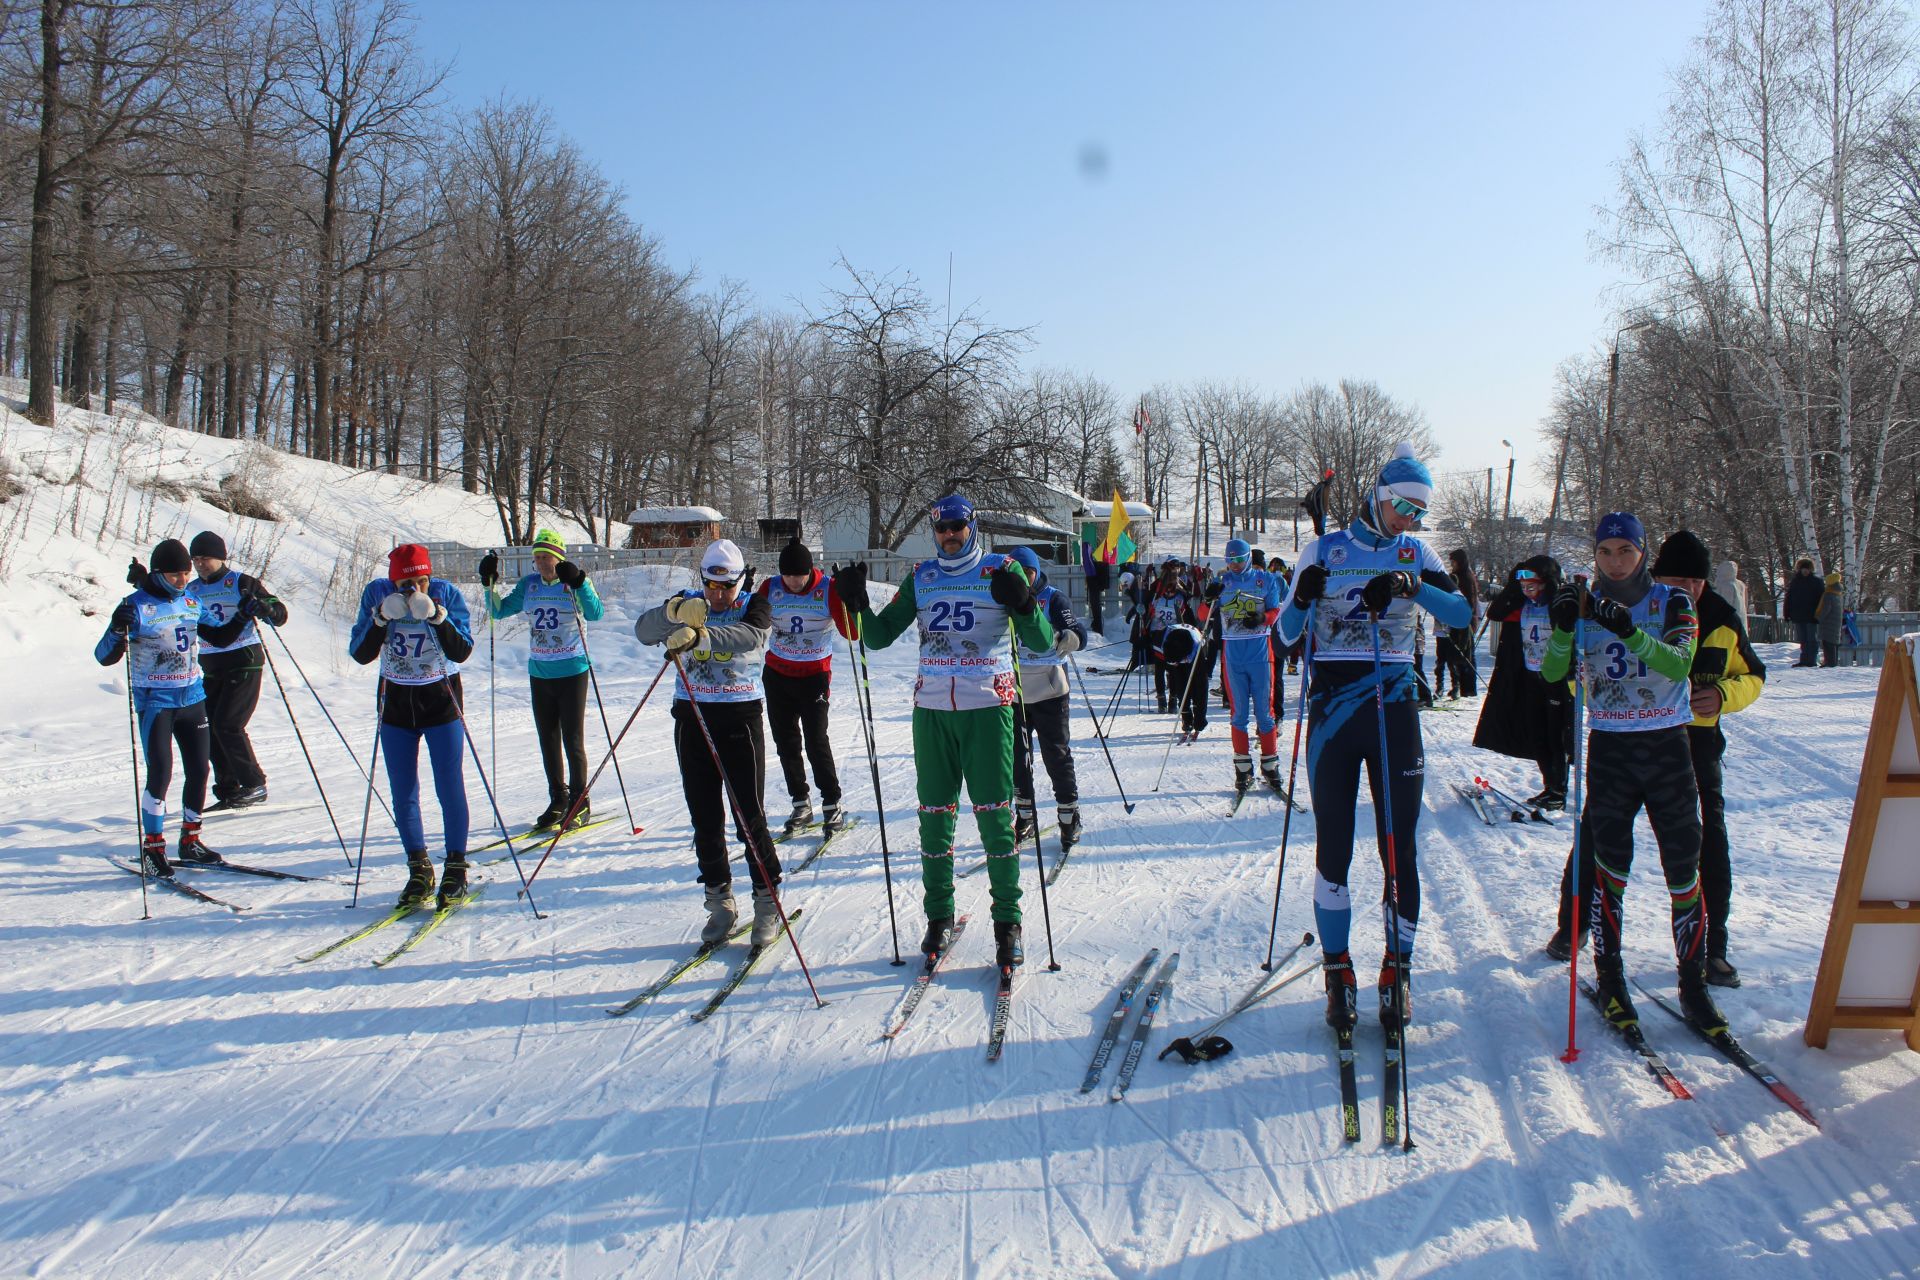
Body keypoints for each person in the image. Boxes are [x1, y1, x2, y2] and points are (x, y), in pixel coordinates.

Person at [1277, 444, 1469, 1033]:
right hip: (1335, 713)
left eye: (1419, 510)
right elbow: (1284, 637)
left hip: (1393, 712)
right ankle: (1338, 972)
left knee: (1398, 848)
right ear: (1380, 496)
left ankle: (1396, 968)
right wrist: (1305, 595)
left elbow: (1461, 616)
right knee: (1333, 844)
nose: (1411, 518)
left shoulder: (1416, 550)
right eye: (1404, 506)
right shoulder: (1325, 548)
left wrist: (1413, 587)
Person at [833, 494, 1053, 972]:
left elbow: (1041, 640)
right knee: (934, 818)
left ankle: (1008, 922)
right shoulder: (922, 577)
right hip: (931, 710)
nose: (949, 535)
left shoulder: (1001, 569)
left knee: (996, 819)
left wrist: (1024, 603)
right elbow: (877, 635)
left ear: (972, 526)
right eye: (941, 529)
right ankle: (938, 917)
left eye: (957, 526)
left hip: (987, 709)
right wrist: (857, 604)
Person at [1540, 513, 1726, 1034]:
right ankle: (1612, 978)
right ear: (1596, 555)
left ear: (1643, 552)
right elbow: (1554, 675)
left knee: (1684, 867)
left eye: (1626, 550)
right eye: (1606, 552)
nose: (1616, 561)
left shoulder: (1673, 602)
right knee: (1609, 867)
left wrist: (1630, 632)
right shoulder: (1583, 605)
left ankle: (1692, 985)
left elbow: (1679, 664)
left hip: (1667, 746)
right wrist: (1562, 629)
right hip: (1612, 750)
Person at [635, 539, 783, 947]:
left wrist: (698, 637)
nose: (718, 596)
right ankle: (719, 902)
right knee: (704, 816)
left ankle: (767, 901)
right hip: (692, 715)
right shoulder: (690, 602)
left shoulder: (755, 603)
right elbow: (642, 630)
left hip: (738, 715)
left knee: (748, 815)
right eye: (712, 586)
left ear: (739, 580)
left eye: (726, 587)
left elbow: (750, 637)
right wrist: (672, 613)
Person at [1650, 530, 1766, 988]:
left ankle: (1713, 944)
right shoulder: (1638, 610)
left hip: (1698, 744)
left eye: (1696, 581)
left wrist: (1721, 695)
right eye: (1677, 579)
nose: (1688, 590)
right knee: (1600, 830)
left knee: (1709, 838)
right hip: (1640, 738)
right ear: (1657, 576)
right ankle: (1575, 925)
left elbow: (1754, 675)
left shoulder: (1720, 616)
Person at [348, 544, 476, 909]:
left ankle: (455, 867)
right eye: (405, 584)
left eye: (421, 581)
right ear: (393, 581)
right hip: (396, 705)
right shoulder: (376, 593)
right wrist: (379, 621)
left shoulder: (445, 593)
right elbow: (359, 653)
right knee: (403, 789)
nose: (413, 590)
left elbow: (463, 650)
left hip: (440, 699)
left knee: (449, 784)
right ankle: (418, 867)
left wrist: (437, 616)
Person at [95, 539, 219, 874]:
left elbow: (221, 635)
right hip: (156, 702)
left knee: (199, 770)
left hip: (193, 697)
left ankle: (190, 841)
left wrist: (251, 612)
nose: (182, 579)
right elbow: (104, 656)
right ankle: (153, 846)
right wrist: (115, 627)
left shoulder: (192, 600)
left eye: (185, 572)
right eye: (175, 574)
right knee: (160, 774)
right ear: (158, 572)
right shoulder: (136, 605)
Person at [479, 528, 602, 832]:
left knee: (572, 739)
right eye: (537, 558)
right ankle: (558, 799)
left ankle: (579, 801)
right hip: (540, 672)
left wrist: (581, 582)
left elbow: (596, 613)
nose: (542, 563)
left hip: (572, 669)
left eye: (547, 557)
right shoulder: (529, 585)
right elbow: (498, 611)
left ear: (559, 558)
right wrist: (489, 584)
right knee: (547, 739)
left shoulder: (571, 583)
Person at [753, 537, 855, 837]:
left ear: (810, 571)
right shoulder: (770, 588)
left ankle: (831, 802)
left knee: (815, 740)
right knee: (785, 742)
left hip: (814, 677)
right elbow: (752, 624)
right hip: (777, 675)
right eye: (788, 576)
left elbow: (852, 634)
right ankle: (800, 801)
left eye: (799, 575)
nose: (793, 582)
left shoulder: (827, 589)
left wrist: (852, 601)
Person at [184, 531, 289, 811]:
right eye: (195, 559)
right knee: (209, 728)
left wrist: (263, 607)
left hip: (244, 660)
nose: (200, 564)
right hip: (211, 663)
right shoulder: (191, 589)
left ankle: (254, 784)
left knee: (228, 724)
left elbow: (279, 613)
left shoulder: (241, 582)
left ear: (220, 557)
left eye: (205, 558)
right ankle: (228, 790)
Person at [1007, 546, 1088, 849]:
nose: (1024, 579)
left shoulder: (1053, 597)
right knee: (1018, 757)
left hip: (1050, 687)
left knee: (1056, 754)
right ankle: (1025, 815)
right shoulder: (1004, 596)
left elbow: (1076, 629)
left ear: (1036, 571)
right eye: (1019, 573)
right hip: (1014, 689)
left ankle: (1069, 815)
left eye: (1028, 573)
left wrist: (1072, 637)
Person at [1476, 556, 1571, 811]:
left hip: (1555, 680)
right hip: (1530, 675)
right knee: (1538, 733)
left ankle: (1558, 789)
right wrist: (1516, 590)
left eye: (1532, 586)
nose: (1527, 592)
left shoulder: (1557, 605)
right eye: (1523, 587)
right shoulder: (1523, 605)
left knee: (1555, 736)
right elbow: (1496, 612)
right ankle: (1549, 785)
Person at [1200, 537, 1283, 793]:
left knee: (1265, 714)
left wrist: (1263, 617)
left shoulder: (1266, 580)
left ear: (1248, 558)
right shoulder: (1222, 583)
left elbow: (1276, 612)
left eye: (1238, 559)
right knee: (1238, 714)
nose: (1234, 565)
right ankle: (1243, 768)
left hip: (1260, 654)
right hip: (1233, 655)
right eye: (1230, 560)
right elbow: (1202, 616)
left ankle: (1270, 766)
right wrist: (1207, 599)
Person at [1146, 558, 1193, 713]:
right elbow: (1148, 606)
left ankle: (1173, 700)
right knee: (1160, 668)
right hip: (1158, 635)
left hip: (1173, 634)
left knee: (1172, 668)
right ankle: (1162, 700)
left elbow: (1187, 607)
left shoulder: (1180, 593)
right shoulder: (1157, 590)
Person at [1433, 548, 1480, 698]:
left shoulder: (1462, 578)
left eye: (1453, 561)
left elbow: (1467, 601)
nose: (1451, 564)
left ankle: (1460, 687)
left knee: (1457, 656)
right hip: (1454, 621)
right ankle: (1449, 686)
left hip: (1459, 622)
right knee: (1449, 655)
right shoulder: (1460, 576)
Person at [1161, 619, 1211, 739]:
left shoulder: (1196, 646)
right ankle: (1187, 722)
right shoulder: (1165, 640)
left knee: (1199, 690)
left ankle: (1199, 723)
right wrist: (1173, 663)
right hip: (1177, 647)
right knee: (1181, 691)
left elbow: (1201, 687)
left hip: (1195, 654)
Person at [1784, 558, 1823, 667]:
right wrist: (1787, 613)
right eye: (1803, 569)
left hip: (1812, 616)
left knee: (1812, 639)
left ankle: (1811, 661)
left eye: (1807, 569)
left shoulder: (1817, 582)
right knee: (1803, 640)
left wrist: (1819, 614)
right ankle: (1804, 660)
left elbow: (1821, 599)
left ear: (1810, 570)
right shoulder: (1795, 582)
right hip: (1798, 615)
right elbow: (1789, 598)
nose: (1805, 571)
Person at [1818, 570, 1845, 667]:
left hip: (1828, 622)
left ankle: (1829, 663)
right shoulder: (1839, 593)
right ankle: (1832, 662)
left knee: (1828, 643)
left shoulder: (1829, 594)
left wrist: (1818, 618)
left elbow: (1825, 610)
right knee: (1834, 643)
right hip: (1836, 622)